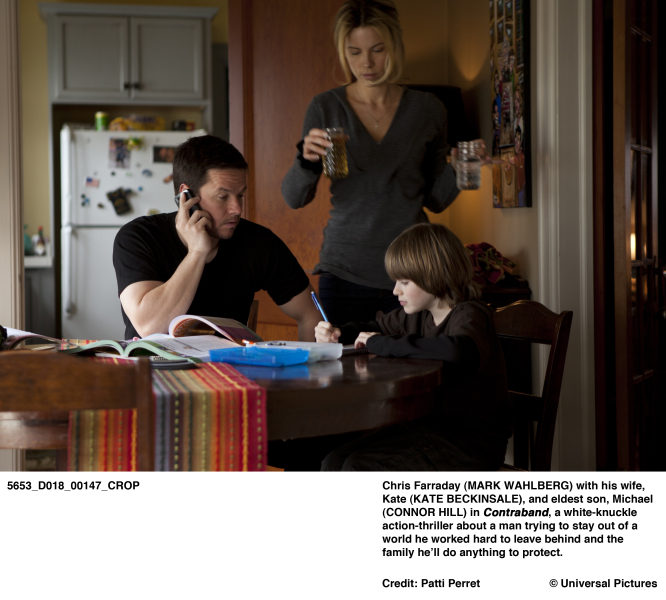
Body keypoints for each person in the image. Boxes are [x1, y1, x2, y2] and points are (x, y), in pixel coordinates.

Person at [281, 0, 493, 326]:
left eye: (377, 49)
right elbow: (294, 198)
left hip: (415, 272)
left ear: (394, 45)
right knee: (345, 359)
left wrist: (462, 166)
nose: (366, 63)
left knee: (416, 359)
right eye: (354, 52)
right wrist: (306, 160)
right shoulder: (325, 107)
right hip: (345, 269)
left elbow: (435, 201)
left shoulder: (428, 109)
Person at [314, 223, 511, 471]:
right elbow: (374, 327)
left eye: (404, 281)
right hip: (423, 429)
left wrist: (380, 343)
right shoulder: (416, 315)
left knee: (358, 468)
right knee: (333, 462)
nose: (395, 290)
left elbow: (460, 351)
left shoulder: (470, 313)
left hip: (468, 445)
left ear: (435, 275)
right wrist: (338, 332)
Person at [113, 135, 321, 340]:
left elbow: (311, 316)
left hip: (227, 362)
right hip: (148, 362)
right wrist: (197, 252)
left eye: (240, 195)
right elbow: (150, 327)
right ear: (186, 195)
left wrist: (311, 360)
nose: (237, 209)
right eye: (223, 197)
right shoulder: (139, 237)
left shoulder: (259, 243)